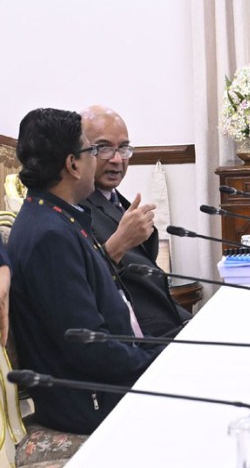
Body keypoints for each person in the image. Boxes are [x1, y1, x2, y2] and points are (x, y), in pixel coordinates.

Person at [9, 108, 160, 434]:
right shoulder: (49, 235)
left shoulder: (58, 216)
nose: (100, 160)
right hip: (90, 400)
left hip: (108, 379)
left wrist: (159, 352)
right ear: (73, 164)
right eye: (93, 150)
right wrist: (159, 362)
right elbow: (91, 347)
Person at [79, 105, 190, 337]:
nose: (117, 159)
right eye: (104, 148)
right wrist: (119, 243)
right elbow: (86, 286)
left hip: (170, 322)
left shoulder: (114, 199)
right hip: (141, 339)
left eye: (123, 148)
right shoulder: (78, 208)